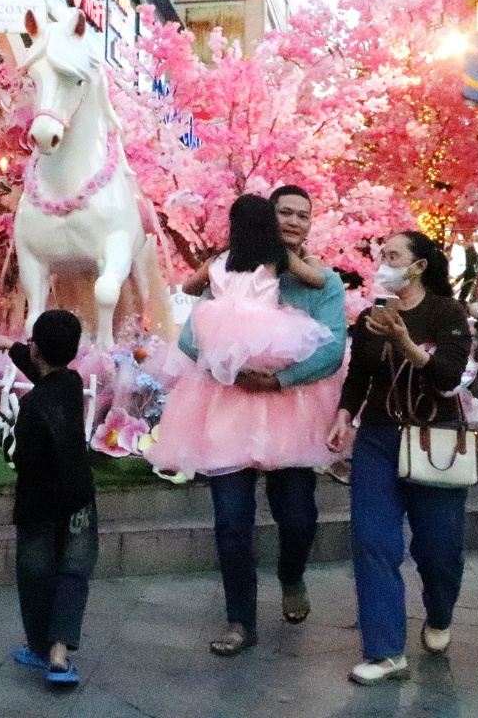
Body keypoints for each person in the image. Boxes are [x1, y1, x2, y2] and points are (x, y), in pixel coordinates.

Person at [148, 186, 347, 657]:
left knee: (297, 518)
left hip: (290, 410)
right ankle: (241, 620)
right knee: (231, 522)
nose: (294, 221)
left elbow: (333, 350)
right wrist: (231, 367)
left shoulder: (324, 281)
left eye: (303, 215)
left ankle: (292, 574)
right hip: (228, 406)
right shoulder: (231, 264)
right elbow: (195, 336)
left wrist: (279, 380)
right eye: (285, 212)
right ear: (267, 218)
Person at [328, 230, 474, 685]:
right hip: (377, 438)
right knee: (372, 540)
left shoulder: (447, 312)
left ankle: (439, 611)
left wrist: (406, 341)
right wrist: (344, 413)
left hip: (436, 437)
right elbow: (359, 375)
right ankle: (386, 650)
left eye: (394, 256)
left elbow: (448, 376)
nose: (384, 263)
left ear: (419, 266)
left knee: (438, 549)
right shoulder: (372, 315)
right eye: (382, 255)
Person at [0, 311, 97, 686]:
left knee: (35, 572)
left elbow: (22, 456)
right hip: (77, 498)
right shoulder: (72, 384)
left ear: (36, 348)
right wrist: (13, 349)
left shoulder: (32, 406)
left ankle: (39, 646)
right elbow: (42, 366)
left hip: (38, 502)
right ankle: (59, 652)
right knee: (73, 572)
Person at [176, 194, 331, 389]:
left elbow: (188, 287)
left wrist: (211, 287)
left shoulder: (217, 259)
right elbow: (318, 279)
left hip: (218, 329)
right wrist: (309, 256)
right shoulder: (278, 255)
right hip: (262, 332)